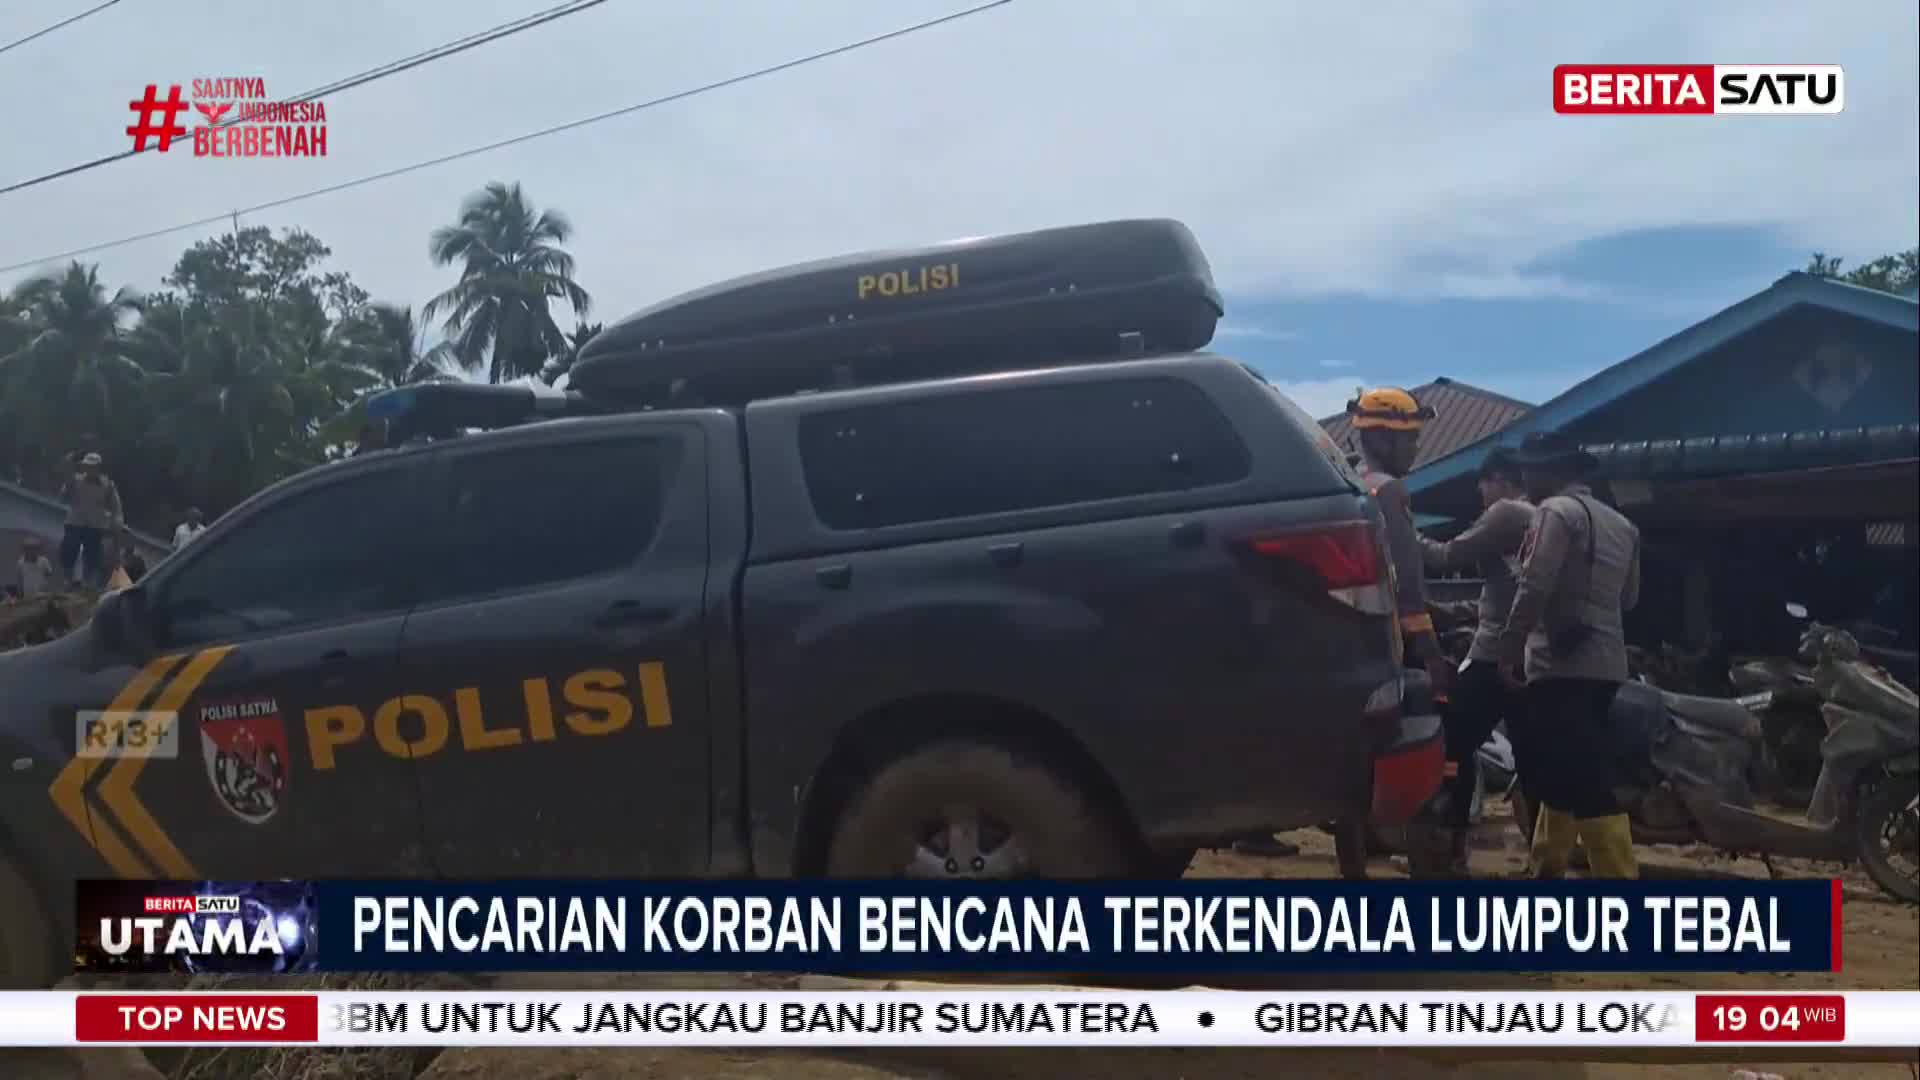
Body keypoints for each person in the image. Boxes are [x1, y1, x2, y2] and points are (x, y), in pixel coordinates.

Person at [1498, 430, 1642, 879]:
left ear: (1554, 472)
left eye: (1530, 469)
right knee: (1564, 769)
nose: (1524, 477)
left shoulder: (1554, 513)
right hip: (1607, 664)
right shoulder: (1623, 525)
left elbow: (1534, 584)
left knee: (1583, 778)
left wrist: (1510, 643)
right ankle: (1546, 868)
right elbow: (1630, 599)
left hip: (1559, 665)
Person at [1417, 448, 1535, 875]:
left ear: (1500, 479)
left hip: (1493, 656)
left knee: (1453, 739)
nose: (1481, 495)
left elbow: (1446, 556)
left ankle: (1452, 841)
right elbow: (1504, 590)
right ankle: (1543, 857)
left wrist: (1398, 531)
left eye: (1482, 485)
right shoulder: (1538, 517)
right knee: (1533, 753)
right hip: (1530, 655)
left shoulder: (1507, 512)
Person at [1346, 388, 1451, 697]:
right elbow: (1407, 584)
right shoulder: (1390, 491)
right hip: (1399, 644)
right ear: (1380, 440)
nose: (1416, 449)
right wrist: (1430, 653)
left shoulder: (1354, 483)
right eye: (1410, 439)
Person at [58, 452, 123, 588]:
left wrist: (116, 520)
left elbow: (116, 507)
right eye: (87, 466)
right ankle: (67, 580)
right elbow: (62, 497)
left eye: (93, 467)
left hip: (94, 525)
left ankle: (87, 583)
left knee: (92, 555)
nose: (90, 469)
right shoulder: (75, 480)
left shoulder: (108, 485)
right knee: (69, 549)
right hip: (75, 522)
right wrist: (67, 477)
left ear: (99, 468)